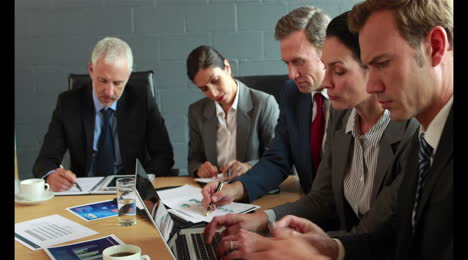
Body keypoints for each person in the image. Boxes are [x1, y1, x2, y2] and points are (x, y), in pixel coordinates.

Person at [241, 0, 454, 260]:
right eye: (367, 66)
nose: (372, 85)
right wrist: (333, 249)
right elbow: (390, 240)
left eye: (383, 63)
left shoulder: (414, 135)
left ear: (435, 46)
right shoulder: (427, 137)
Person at [202, 11, 419, 260]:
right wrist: (262, 219)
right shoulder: (343, 117)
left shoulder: (410, 133)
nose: (292, 75)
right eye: (287, 64)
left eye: (336, 70)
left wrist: (288, 247)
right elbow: (322, 196)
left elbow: (371, 237)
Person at [201, 5, 332, 210]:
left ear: (327, 52)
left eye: (299, 62)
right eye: (287, 63)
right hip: (310, 210)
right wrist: (234, 190)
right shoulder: (293, 93)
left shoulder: (353, 100)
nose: (291, 74)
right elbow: (277, 161)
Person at [33, 37, 175, 192]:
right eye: (103, 80)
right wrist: (51, 175)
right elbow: (45, 160)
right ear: (91, 70)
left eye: (117, 83)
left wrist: (143, 182)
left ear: (128, 76)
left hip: (132, 190)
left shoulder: (141, 99)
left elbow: (164, 155)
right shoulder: (68, 103)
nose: (109, 92)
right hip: (84, 190)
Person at [186, 45, 279, 179]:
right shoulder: (196, 111)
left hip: (252, 187)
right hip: (215, 189)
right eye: (204, 89)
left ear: (227, 67)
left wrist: (248, 166)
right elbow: (193, 160)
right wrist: (199, 169)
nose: (213, 93)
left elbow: (276, 158)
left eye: (215, 81)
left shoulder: (264, 104)